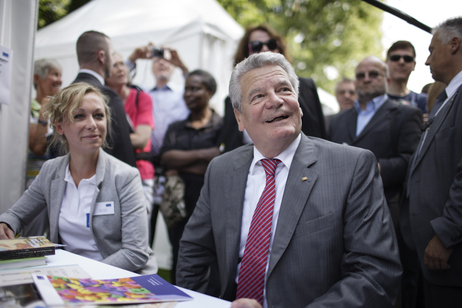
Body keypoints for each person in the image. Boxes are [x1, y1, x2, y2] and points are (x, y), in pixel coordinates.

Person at [176, 52, 401, 308]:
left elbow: (376, 274)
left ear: (298, 102)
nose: (275, 101)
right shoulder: (221, 169)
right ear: (239, 117)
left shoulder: (352, 167)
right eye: (258, 96)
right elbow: (194, 250)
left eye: (283, 89)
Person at [0, 83, 156, 274]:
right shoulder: (51, 171)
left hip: (113, 278)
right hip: (66, 277)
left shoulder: (125, 176)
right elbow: (15, 215)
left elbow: (135, 253)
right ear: (59, 126)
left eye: (99, 115)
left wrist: (81, 274)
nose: (92, 124)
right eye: (79, 116)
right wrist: (6, 224)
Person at [401, 17, 462, 307]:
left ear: (454, 44)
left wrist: (446, 234)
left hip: (450, 255)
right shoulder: (446, 100)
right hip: (432, 258)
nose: (426, 61)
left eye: (431, 50)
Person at [329, 56, 422, 227]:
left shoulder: (406, 115)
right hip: (338, 212)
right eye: (360, 75)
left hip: (384, 211)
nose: (366, 79)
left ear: (387, 80)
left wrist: (373, 168)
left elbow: (412, 161)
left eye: (373, 74)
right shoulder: (337, 120)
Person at [218, 24, 327, 153]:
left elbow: (320, 135)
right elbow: (231, 146)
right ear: (245, 53)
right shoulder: (231, 101)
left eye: (271, 44)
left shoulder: (307, 87)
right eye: (256, 45)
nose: (265, 48)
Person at [160, 69, 222, 284]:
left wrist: (184, 164)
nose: (188, 94)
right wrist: (206, 155)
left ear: (210, 92)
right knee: (179, 252)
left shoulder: (222, 126)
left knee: (211, 256)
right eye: (186, 89)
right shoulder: (175, 127)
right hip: (178, 204)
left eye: (195, 88)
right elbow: (166, 158)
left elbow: (223, 163)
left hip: (211, 202)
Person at [127, 45, 190, 243]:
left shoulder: (184, 93)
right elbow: (118, 85)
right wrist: (133, 59)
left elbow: (202, 85)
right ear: (151, 67)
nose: (162, 62)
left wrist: (182, 65)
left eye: (166, 60)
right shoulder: (142, 94)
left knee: (178, 236)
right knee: (144, 231)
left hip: (175, 170)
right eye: (156, 60)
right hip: (146, 168)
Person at [105, 52, 155, 231]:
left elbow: (142, 139)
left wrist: (100, 141)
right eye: (115, 65)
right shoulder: (99, 100)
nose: (121, 68)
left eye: (122, 64)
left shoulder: (141, 97)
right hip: (109, 174)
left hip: (140, 173)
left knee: (138, 232)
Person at [72, 30, 136, 167]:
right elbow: (122, 151)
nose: (113, 61)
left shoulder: (64, 95)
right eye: (112, 55)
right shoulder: (106, 96)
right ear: (102, 56)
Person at [27, 58, 62, 186]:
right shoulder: (28, 109)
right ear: (37, 78)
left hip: (56, 182)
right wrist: (43, 114)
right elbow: (37, 149)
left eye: (60, 75)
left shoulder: (59, 111)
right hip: (35, 184)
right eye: (54, 74)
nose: (60, 80)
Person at [386, 40, 428, 114]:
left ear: (414, 65)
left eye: (407, 59)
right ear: (386, 63)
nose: (401, 62)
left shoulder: (423, 101)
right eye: (395, 58)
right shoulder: (374, 100)